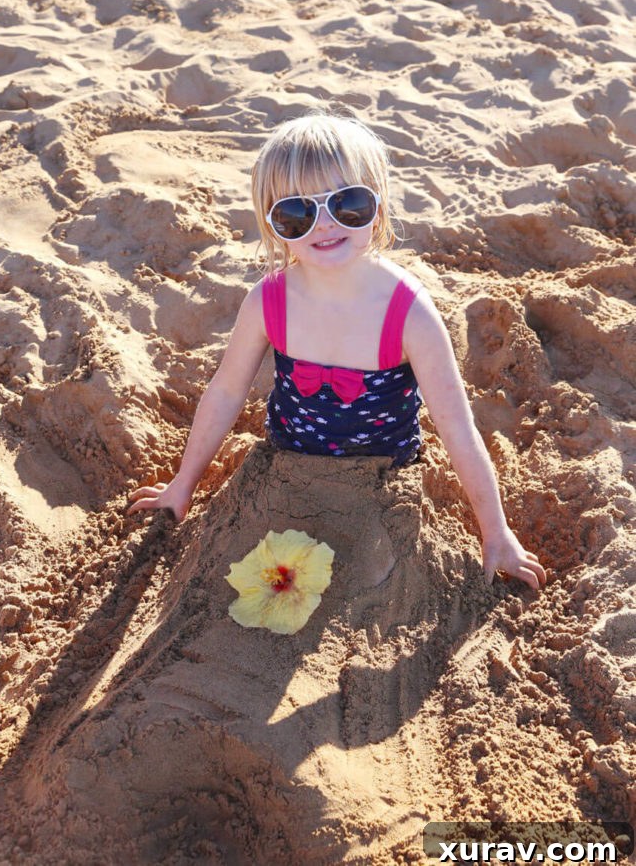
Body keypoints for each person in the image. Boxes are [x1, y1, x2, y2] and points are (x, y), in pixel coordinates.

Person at [128, 112, 546, 590]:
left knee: (368, 588)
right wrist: (182, 485)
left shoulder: (407, 313)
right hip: (284, 470)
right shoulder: (269, 300)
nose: (324, 225)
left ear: (379, 204)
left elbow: (457, 429)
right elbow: (225, 392)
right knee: (243, 591)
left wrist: (497, 534)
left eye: (348, 204)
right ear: (271, 224)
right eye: (297, 213)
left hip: (381, 485)